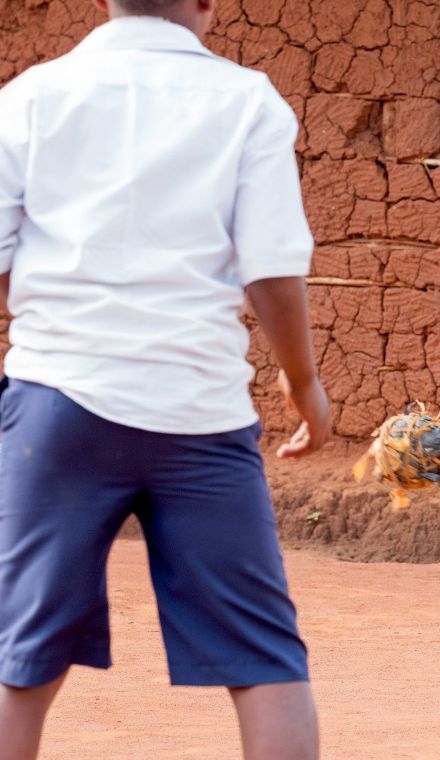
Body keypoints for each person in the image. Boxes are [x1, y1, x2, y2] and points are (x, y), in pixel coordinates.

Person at [0, 1, 330, 757]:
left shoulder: (32, 97)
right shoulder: (246, 100)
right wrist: (303, 381)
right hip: (200, 412)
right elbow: (271, 268)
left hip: (57, 406)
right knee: (266, 659)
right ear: (208, 1)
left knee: (20, 654)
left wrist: (52, 318)